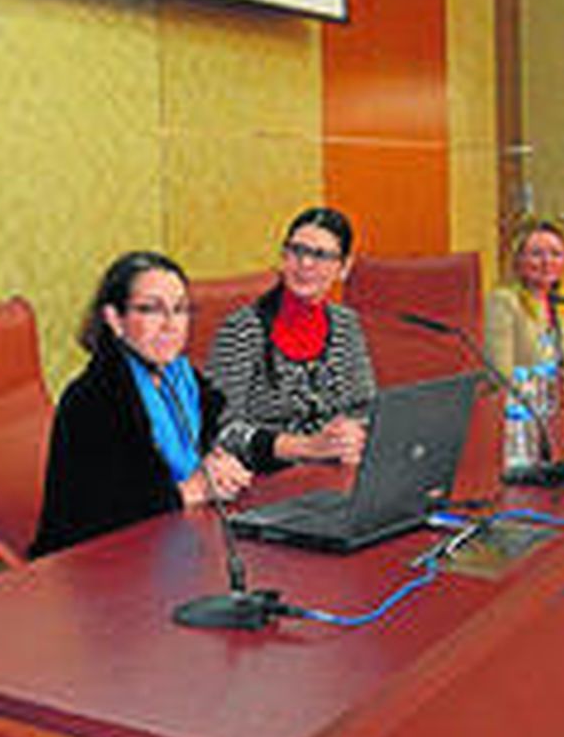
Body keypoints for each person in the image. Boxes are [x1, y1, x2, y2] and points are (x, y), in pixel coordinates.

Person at [30, 252, 253, 558]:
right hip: (90, 572)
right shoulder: (91, 400)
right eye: (151, 310)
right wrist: (190, 491)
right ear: (115, 319)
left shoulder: (182, 381)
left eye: (180, 310)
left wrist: (224, 464)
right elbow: (95, 517)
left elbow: (218, 436)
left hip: (173, 547)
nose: (171, 325)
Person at [205, 206, 376, 473]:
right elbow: (219, 430)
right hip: (268, 481)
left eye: (320, 255)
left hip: (337, 472)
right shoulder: (242, 330)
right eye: (297, 250)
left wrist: (350, 433)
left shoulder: (346, 325)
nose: (305, 264)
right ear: (284, 256)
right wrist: (306, 447)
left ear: (344, 267)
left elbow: (366, 408)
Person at [484, 219, 564, 375]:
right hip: (521, 397)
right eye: (536, 254)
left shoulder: (560, 305)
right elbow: (500, 374)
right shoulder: (503, 301)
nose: (547, 262)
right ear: (517, 260)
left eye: (556, 254)